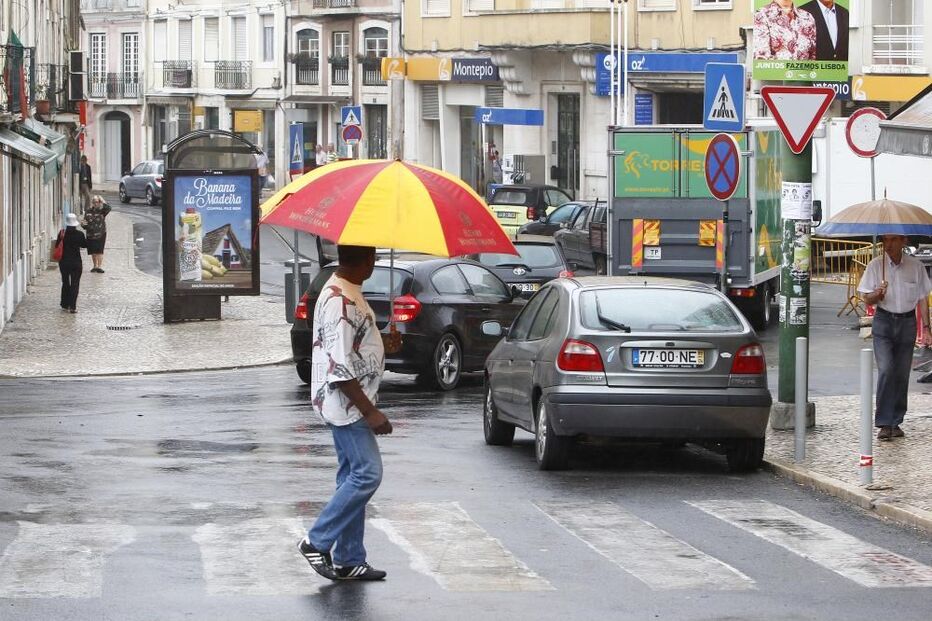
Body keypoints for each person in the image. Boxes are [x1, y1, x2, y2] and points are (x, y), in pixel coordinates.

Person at [297, 245, 400, 582]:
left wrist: (384, 342)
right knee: (367, 475)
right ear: (367, 261)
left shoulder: (346, 290)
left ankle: (349, 558)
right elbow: (339, 368)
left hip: (347, 403)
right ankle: (317, 540)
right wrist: (371, 412)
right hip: (348, 406)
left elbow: (351, 346)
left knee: (351, 476)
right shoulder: (339, 300)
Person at [858, 234, 932, 440]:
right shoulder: (875, 266)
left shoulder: (916, 266)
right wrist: (877, 294)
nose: (887, 244)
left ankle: (896, 421)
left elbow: (922, 298)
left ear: (903, 241)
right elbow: (866, 298)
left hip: (907, 323)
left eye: (892, 240)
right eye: (885, 240)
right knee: (886, 370)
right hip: (884, 322)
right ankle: (883, 422)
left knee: (901, 374)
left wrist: (926, 328)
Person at [58, 213, 87, 313]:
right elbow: (84, 245)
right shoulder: (80, 234)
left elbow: (57, 245)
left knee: (65, 282)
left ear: (66, 223)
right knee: (75, 284)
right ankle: (73, 307)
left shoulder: (62, 233)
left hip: (64, 262)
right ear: (75, 223)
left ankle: (65, 304)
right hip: (76, 262)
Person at [82, 194, 111, 273]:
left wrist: (102, 200)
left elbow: (109, 208)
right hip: (91, 234)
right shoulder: (88, 211)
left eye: (97, 202)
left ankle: (99, 266)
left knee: (100, 250)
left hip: (101, 233)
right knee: (93, 251)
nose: (95, 204)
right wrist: (84, 225)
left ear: (99, 202)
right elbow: (84, 222)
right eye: (94, 202)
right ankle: (95, 266)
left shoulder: (102, 211)